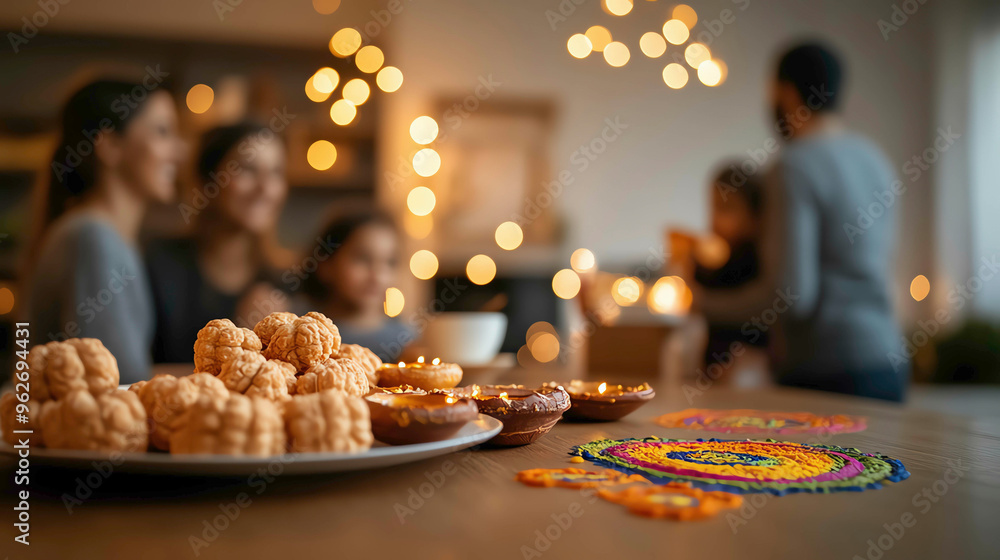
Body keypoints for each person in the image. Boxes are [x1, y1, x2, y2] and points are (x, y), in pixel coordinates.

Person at [691, 42, 907, 401]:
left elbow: (791, 296)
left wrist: (700, 303)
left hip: (827, 370)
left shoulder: (793, 165)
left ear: (786, 93)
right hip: (887, 358)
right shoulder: (875, 159)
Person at [25, 79, 182, 383]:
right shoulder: (94, 237)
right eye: (163, 132)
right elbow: (119, 381)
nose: (179, 151)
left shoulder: (103, 235)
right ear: (110, 146)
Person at [147, 122, 291, 363]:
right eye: (247, 170)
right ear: (207, 180)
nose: (265, 188)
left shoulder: (286, 284)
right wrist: (241, 337)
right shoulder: (157, 266)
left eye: (276, 173)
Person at [299, 211, 414, 362]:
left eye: (390, 262)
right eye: (363, 259)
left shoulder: (408, 344)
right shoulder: (299, 334)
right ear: (326, 264)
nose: (377, 276)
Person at [690, 164, 769, 370]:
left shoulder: (754, 259)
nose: (716, 220)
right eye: (714, 208)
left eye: (727, 209)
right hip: (713, 366)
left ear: (754, 217)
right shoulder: (710, 258)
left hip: (745, 367)